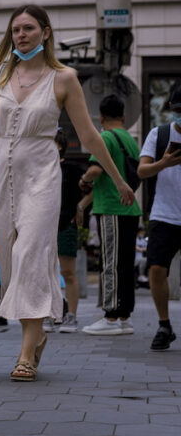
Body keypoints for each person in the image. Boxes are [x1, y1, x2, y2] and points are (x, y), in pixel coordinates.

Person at [0, 4, 135, 382]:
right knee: (10, 261)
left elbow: (89, 134)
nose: (20, 35)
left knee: (31, 253)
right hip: (3, 177)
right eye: (15, 30)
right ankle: (38, 332)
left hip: (41, 174)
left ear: (45, 32)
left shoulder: (63, 78)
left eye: (28, 28)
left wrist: (120, 178)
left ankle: (26, 352)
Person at [79, 94, 143, 336]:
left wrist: (83, 180)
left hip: (112, 207)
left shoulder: (105, 136)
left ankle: (111, 316)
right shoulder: (131, 139)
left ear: (101, 117)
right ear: (124, 116)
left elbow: (95, 169)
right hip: (131, 209)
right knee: (125, 264)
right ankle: (125, 316)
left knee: (111, 263)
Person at [137, 86, 181, 350]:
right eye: (177, 111)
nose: (179, 116)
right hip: (164, 213)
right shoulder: (160, 134)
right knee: (156, 269)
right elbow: (142, 171)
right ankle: (164, 324)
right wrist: (163, 163)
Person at [52, 130, 87, 334]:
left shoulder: (72, 169)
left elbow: (92, 189)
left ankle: (71, 316)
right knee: (45, 273)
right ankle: (50, 314)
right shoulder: (39, 168)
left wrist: (80, 207)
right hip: (42, 225)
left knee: (68, 272)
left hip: (65, 224)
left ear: (59, 145)